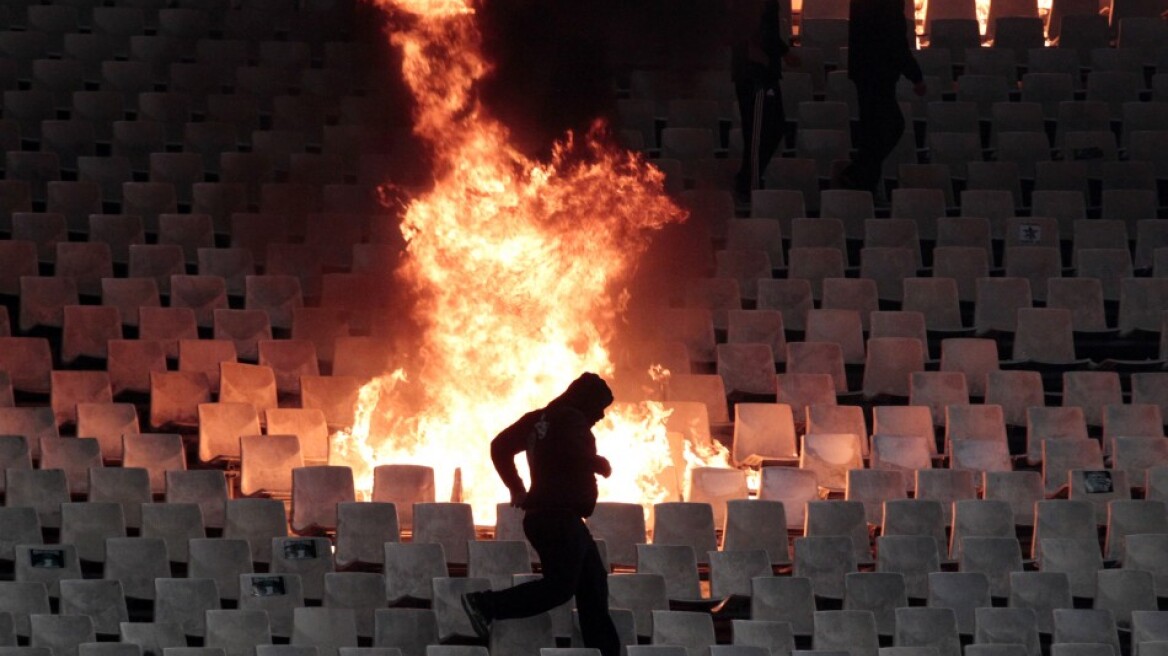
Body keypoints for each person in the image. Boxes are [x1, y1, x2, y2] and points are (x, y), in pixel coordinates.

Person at [461, 372, 619, 656]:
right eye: (599, 407)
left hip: (556, 518)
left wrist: (516, 487)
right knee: (560, 588)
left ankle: (605, 651)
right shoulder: (572, 418)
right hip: (558, 518)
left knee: (593, 586)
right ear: (586, 401)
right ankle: (486, 605)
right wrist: (596, 462)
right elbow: (571, 449)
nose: (600, 416)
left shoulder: (539, 418)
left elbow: (500, 446)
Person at [835, 0, 926, 194]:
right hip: (880, 72)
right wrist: (915, 75)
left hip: (865, 69)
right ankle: (858, 176)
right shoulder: (888, 6)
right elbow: (895, 39)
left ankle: (860, 179)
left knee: (874, 132)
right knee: (887, 128)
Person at [731, 0, 798, 203]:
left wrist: (782, 53)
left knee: (774, 127)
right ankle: (749, 185)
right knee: (757, 133)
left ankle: (747, 180)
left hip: (763, 72)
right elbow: (748, 25)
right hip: (755, 74)